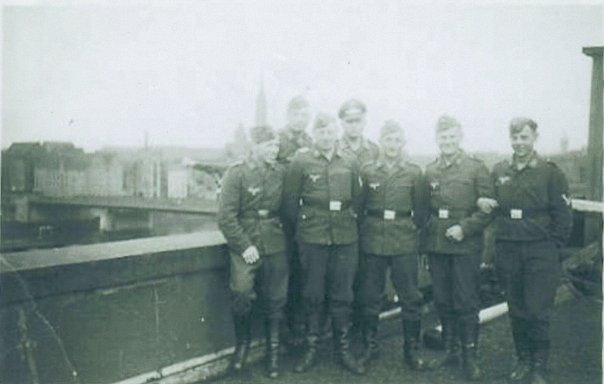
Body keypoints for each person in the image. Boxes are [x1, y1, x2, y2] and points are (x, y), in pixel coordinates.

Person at [478, 118, 572, 384]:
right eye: (515, 137)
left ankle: (539, 366)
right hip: (508, 249)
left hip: (539, 250)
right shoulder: (499, 170)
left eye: (525, 137)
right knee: (516, 308)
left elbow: (563, 215)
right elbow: (493, 206)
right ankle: (523, 360)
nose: (519, 143)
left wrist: (552, 247)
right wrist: (483, 201)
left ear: (534, 138)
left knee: (537, 310)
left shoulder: (550, 172)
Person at [284, 112, 365, 375]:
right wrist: (304, 231)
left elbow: (359, 201)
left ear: (336, 133)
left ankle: (343, 351)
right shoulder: (301, 161)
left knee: (343, 294)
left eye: (330, 131)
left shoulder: (350, 161)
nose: (326, 136)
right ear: (315, 134)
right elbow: (289, 203)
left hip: (344, 235)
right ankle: (311, 350)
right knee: (312, 293)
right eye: (321, 132)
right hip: (312, 235)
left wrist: (349, 225)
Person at [423, 115, 494, 381]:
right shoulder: (430, 170)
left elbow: (488, 209)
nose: (448, 142)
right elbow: (424, 209)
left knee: (465, 301)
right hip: (438, 244)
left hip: (465, 245)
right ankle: (451, 351)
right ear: (437, 139)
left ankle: (469, 357)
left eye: (452, 137)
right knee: (442, 299)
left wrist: (465, 228)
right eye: (443, 137)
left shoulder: (476, 168)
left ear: (460, 137)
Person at [217, 125, 288, 379]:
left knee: (276, 298)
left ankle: (274, 352)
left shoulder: (281, 172)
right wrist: (245, 246)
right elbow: (225, 217)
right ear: (255, 147)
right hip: (246, 243)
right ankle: (242, 347)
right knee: (242, 293)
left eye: (276, 145)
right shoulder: (237, 174)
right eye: (269, 145)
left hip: (276, 241)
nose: (274, 150)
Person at [358, 120, 429, 371]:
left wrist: (409, 230)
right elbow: (360, 206)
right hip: (373, 238)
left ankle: (411, 350)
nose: (392, 145)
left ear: (403, 143)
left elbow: (420, 211)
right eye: (388, 139)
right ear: (381, 141)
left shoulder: (413, 172)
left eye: (397, 140)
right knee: (370, 296)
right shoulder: (368, 171)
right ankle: (370, 347)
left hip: (403, 238)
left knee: (411, 296)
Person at [276, 95, 313, 347]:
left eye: (304, 115)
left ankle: (299, 326)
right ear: (288, 116)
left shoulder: (311, 142)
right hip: (281, 213)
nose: (300, 120)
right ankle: (282, 330)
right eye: (296, 114)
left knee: (304, 271)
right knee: (282, 272)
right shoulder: (277, 141)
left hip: (306, 216)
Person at [337, 99, 379, 166]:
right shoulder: (334, 148)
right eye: (349, 121)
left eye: (358, 121)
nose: (354, 125)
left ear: (364, 122)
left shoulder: (374, 150)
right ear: (342, 123)